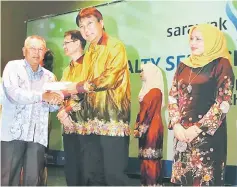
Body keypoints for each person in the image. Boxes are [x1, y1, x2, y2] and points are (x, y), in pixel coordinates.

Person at [61, 7, 137, 186]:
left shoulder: (115, 46)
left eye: (90, 23)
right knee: (93, 174)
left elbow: (110, 78)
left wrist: (78, 87)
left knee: (114, 175)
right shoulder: (89, 54)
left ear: (101, 23)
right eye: (82, 26)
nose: (86, 29)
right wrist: (68, 106)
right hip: (90, 123)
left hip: (112, 120)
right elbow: (82, 90)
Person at [168, 24, 235, 186]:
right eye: (191, 38)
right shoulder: (183, 66)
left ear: (212, 41)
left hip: (207, 137)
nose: (193, 43)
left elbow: (223, 102)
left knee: (204, 181)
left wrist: (197, 128)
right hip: (182, 135)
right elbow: (173, 97)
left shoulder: (221, 64)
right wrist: (177, 125)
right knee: (182, 180)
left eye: (199, 39)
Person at [1, 35, 63, 186]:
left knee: (34, 180)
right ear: (24, 51)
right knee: (8, 178)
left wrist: (56, 101)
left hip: (37, 137)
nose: (36, 52)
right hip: (13, 135)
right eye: (32, 48)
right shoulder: (13, 67)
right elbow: (14, 94)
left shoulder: (50, 76)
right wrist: (43, 96)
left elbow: (51, 106)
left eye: (40, 49)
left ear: (45, 52)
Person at [57, 30, 104, 186]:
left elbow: (88, 93)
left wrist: (66, 110)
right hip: (69, 126)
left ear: (78, 43)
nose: (64, 46)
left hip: (87, 126)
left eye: (66, 43)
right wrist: (62, 111)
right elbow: (62, 94)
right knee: (72, 170)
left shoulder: (89, 64)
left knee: (90, 171)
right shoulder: (67, 69)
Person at [134, 62, 164, 186]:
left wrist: (139, 129)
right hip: (146, 128)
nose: (140, 74)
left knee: (151, 160)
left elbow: (148, 114)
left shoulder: (155, 91)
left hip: (152, 128)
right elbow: (142, 112)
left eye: (142, 71)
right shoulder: (147, 90)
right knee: (145, 159)